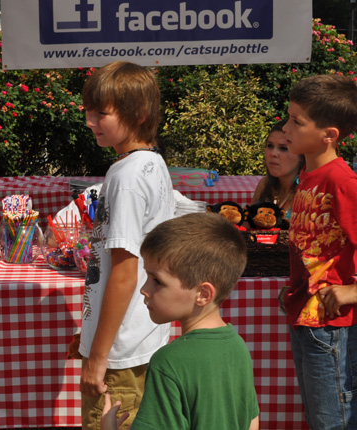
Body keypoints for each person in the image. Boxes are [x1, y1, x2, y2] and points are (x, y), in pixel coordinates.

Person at [78, 61, 175, 428]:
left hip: (118, 352)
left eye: (102, 112)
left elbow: (123, 272)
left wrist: (98, 356)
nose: (90, 120)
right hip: (137, 337)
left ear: (140, 114)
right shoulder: (150, 164)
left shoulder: (127, 176)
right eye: (88, 110)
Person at [102, 213, 260, 430]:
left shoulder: (168, 362)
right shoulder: (238, 347)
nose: (144, 289)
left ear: (203, 294)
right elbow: (252, 422)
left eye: (157, 281)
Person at [281, 74, 357, 430]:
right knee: (318, 419)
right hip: (307, 316)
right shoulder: (308, 177)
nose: (286, 127)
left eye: (297, 121)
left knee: (333, 421)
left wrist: (352, 291)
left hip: (330, 324)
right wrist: (294, 286)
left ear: (330, 135)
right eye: (289, 117)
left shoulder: (342, 181)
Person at [251, 119, 305, 219]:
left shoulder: (308, 192)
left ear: (301, 156)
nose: (273, 153)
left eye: (283, 148)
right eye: (270, 146)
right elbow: (247, 227)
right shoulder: (264, 184)